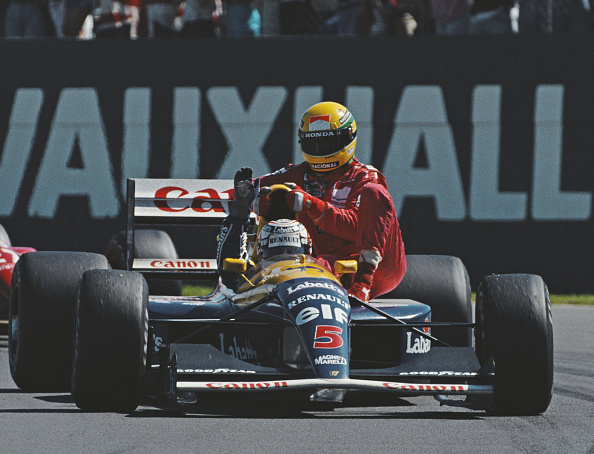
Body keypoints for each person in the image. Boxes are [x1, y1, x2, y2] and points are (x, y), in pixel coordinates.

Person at [255, 101, 407, 305]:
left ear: (348, 139)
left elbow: (353, 227)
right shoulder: (297, 174)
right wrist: (258, 200)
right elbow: (247, 188)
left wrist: (310, 204)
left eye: (328, 144)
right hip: (331, 261)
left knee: (375, 192)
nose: (320, 151)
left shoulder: (366, 177)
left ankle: (364, 282)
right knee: (312, 271)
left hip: (382, 269)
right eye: (313, 144)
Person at [216, 167, 313, 292]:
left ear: (308, 250)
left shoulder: (318, 271)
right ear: (260, 252)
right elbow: (227, 269)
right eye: (276, 251)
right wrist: (240, 210)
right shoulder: (251, 277)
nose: (283, 258)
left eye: (292, 250)